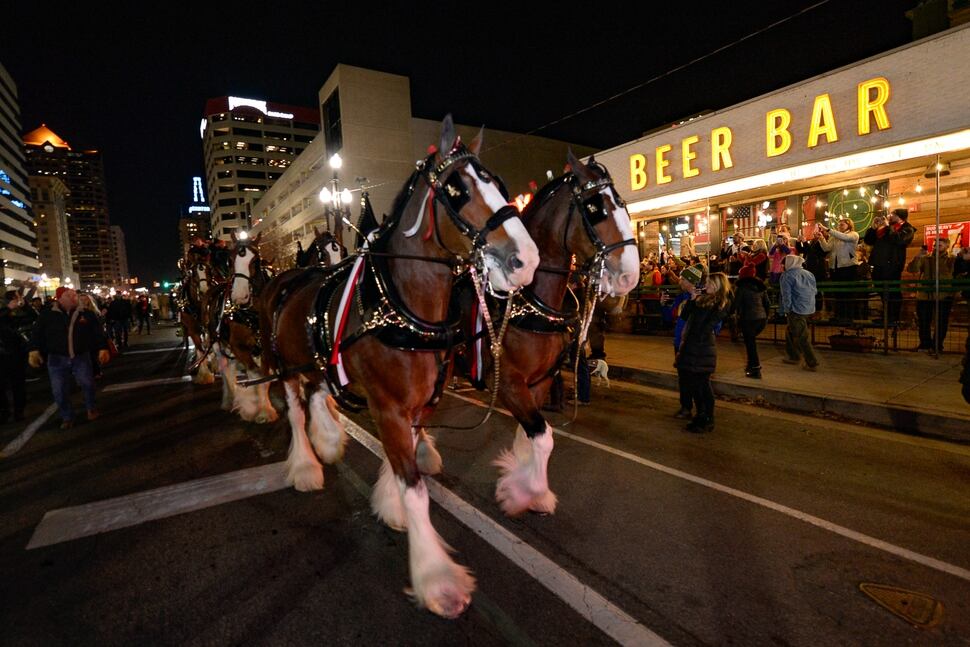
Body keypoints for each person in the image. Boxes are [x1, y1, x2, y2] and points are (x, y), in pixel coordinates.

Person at [28, 287, 110, 430]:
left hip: (80, 355)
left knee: (87, 383)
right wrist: (33, 350)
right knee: (59, 390)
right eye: (69, 295)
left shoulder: (86, 314)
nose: (74, 297)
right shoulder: (47, 315)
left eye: (74, 295)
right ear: (60, 298)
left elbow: (97, 332)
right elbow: (37, 333)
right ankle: (67, 416)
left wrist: (102, 348)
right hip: (56, 358)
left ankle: (91, 408)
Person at [674, 271, 732, 433]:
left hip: (702, 348)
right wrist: (692, 300)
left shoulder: (720, 303)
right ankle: (700, 415)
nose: (705, 286)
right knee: (693, 384)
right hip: (691, 346)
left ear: (717, 285)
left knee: (703, 385)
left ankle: (708, 418)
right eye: (706, 283)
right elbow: (685, 316)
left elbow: (706, 326)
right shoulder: (701, 300)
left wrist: (694, 337)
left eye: (709, 284)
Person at [864, 208, 916, 323]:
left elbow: (898, 240)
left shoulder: (908, 229)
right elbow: (868, 241)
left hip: (892, 264)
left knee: (892, 291)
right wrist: (873, 228)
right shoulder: (885, 228)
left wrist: (888, 227)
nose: (889, 216)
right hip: (878, 264)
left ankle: (893, 318)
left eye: (892, 214)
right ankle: (886, 316)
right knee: (880, 289)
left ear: (899, 216)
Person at [907, 243, 956, 352]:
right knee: (923, 321)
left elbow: (954, 273)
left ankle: (937, 345)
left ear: (946, 246)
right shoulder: (925, 258)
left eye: (940, 245)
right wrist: (917, 257)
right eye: (935, 245)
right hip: (925, 295)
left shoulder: (951, 259)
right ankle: (925, 344)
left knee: (941, 322)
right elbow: (912, 269)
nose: (936, 247)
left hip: (943, 295)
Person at [779, 254, 819, 371]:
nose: (783, 267)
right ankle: (793, 355)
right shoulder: (808, 273)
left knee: (802, 336)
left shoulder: (787, 276)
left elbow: (786, 295)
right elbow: (815, 291)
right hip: (809, 307)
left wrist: (786, 309)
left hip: (796, 309)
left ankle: (811, 362)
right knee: (791, 330)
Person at [0, 289, 34, 423]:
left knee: (18, 385)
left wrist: (25, 304)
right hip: (2, 355)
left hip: (16, 355)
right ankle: (4, 411)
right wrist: (8, 308)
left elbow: (33, 317)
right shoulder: (4, 314)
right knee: (1, 386)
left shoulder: (14, 317)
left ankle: (18, 411)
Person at [731, 264, 770, 379]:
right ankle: (750, 365)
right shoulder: (760, 287)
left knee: (750, 345)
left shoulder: (741, 288)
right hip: (761, 319)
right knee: (751, 343)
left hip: (748, 319)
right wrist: (765, 316)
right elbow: (767, 304)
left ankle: (755, 369)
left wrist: (730, 312)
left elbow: (735, 305)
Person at [818, 219, 860, 322]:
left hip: (848, 267)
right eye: (839, 224)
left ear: (849, 225)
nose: (840, 225)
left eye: (843, 223)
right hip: (835, 267)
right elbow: (827, 249)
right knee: (838, 293)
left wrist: (827, 229)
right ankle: (839, 316)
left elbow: (845, 237)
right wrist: (821, 239)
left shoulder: (853, 234)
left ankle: (849, 317)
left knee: (848, 293)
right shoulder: (834, 236)